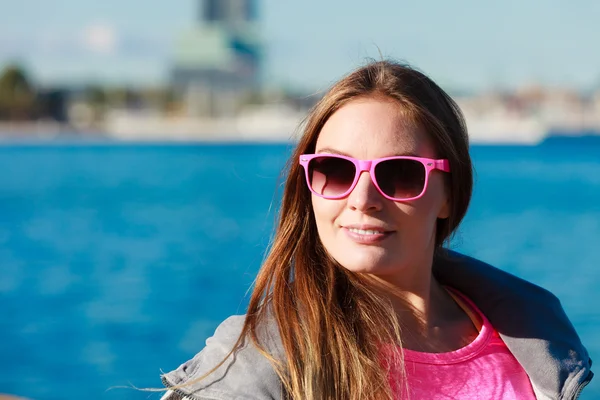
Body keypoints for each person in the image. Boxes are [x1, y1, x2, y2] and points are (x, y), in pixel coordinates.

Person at [159, 60, 593, 399]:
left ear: (448, 194)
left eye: (401, 174)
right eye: (334, 170)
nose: (362, 199)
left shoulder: (532, 338)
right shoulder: (259, 357)